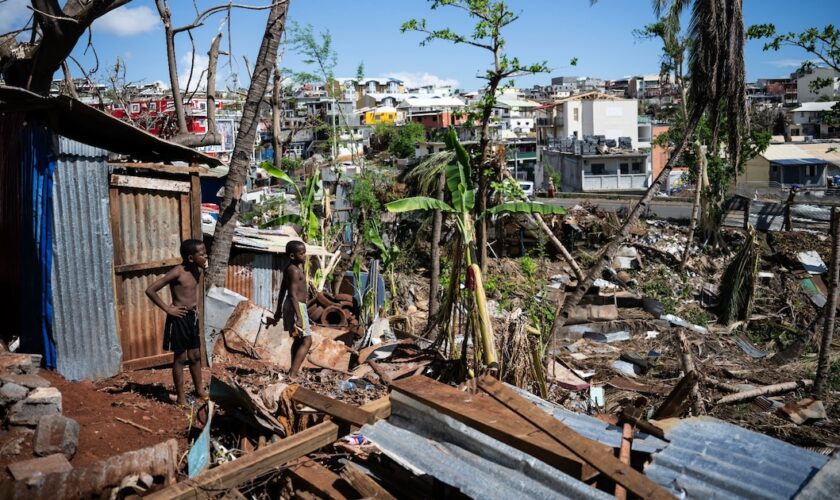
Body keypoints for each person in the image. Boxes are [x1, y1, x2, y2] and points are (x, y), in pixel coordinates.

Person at [145, 239, 208, 406]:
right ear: (190, 258)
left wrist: (197, 308)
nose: (205, 256)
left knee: (195, 355)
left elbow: (194, 291)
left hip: (192, 317)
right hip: (178, 318)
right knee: (180, 358)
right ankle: (181, 398)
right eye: (202, 254)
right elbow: (150, 290)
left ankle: (199, 390)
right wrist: (168, 308)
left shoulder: (198, 270)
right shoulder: (177, 272)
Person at [268, 240, 312, 379]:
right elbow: (292, 294)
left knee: (298, 340)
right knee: (307, 341)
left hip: (293, 306)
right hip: (296, 306)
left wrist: (278, 309)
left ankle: (292, 372)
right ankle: (293, 374)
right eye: (301, 253)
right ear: (292, 256)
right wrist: (299, 316)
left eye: (305, 252)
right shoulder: (293, 270)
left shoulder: (291, 269)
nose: (304, 255)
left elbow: (282, 290)